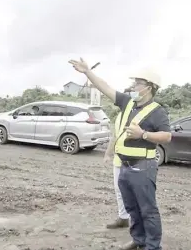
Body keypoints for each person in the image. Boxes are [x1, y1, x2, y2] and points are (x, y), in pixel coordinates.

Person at [69, 58, 171, 250]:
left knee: (148, 210)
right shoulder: (128, 102)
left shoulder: (158, 112)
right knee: (132, 208)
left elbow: (167, 136)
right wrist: (87, 72)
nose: (133, 86)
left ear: (149, 87)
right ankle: (138, 240)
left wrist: (144, 134)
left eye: (137, 83)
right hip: (124, 166)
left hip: (143, 167)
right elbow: (104, 87)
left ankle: (153, 246)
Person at [105, 88, 132, 229]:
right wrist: (107, 154)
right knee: (119, 190)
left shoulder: (138, 115)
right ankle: (123, 218)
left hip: (134, 160)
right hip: (118, 160)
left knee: (133, 192)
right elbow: (114, 137)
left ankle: (136, 222)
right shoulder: (119, 117)